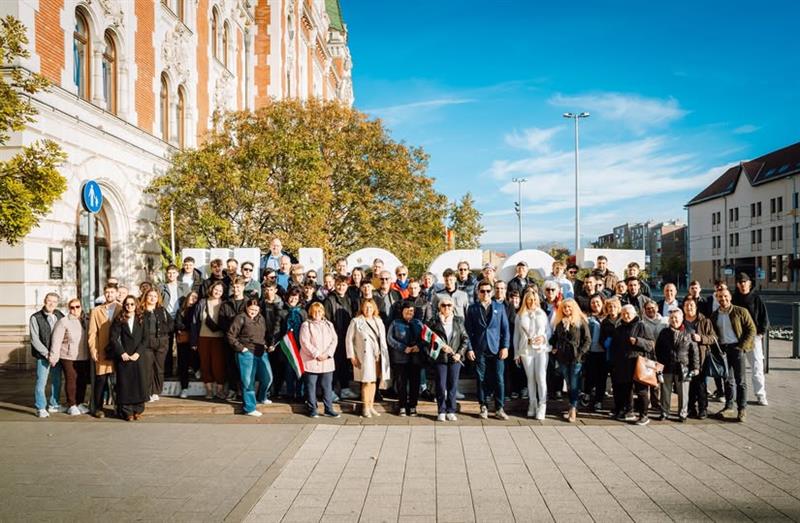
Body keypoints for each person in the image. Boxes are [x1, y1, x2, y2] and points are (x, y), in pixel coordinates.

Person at [465, 280, 510, 420]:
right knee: (481, 378)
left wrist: (505, 347)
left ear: (492, 292)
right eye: (482, 291)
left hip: (496, 349)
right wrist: (469, 349)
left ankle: (499, 408)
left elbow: (505, 329)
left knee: (499, 378)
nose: (485, 293)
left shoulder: (500, 307)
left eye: (488, 291)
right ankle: (483, 406)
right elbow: (468, 332)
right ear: (478, 292)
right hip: (480, 349)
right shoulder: (472, 308)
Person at [711, 289, 756, 422]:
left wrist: (742, 346)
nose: (723, 299)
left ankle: (742, 409)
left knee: (740, 381)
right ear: (717, 298)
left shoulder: (741, 311)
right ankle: (729, 406)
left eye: (725, 296)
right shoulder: (715, 315)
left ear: (730, 297)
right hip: (723, 350)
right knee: (727, 379)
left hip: (737, 348)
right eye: (720, 297)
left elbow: (751, 329)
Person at [610, 304, 655, 425]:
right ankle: (629, 412)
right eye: (623, 314)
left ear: (634, 314)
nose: (625, 316)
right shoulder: (619, 328)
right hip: (623, 363)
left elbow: (651, 345)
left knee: (641, 391)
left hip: (639, 363)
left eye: (628, 313)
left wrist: (638, 341)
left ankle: (644, 415)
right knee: (626, 389)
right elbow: (614, 346)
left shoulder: (642, 325)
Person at [345, 298, 391, 418]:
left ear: (374, 308)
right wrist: (352, 356)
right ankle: (365, 407)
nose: (368, 309)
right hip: (364, 356)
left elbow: (382, 340)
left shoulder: (378, 321)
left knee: (374, 381)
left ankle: (371, 406)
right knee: (366, 381)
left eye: (370, 307)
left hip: (377, 356)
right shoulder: (356, 321)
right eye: (365, 307)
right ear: (362, 308)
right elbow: (349, 340)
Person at [426, 296, 469, 421]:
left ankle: (451, 410)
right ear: (439, 307)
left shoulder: (458, 321)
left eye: (449, 305)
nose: (447, 308)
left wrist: (459, 353)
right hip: (440, 358)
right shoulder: (433, 322)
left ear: (453, 307)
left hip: (455, 358)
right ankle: (441, 410)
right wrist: (439, 347)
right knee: (440, 386)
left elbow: (465, 339)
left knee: (452, 385)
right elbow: (427, 340)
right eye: (444, 305)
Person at [227, 298, 271, 417]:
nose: (253, 312)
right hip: (246, 353)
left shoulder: (261, 318)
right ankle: (250, 408)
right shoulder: (240, 318)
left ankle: (262, 397)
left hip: (261, 352)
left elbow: (263, 334)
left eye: (256, 310)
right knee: (248, 381)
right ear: (246, 307)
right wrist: (241, 348)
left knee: (267, 378)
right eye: (251, 309)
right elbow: (230, 335)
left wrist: (265, 344)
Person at [549, 299, 591, 422]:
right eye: (564, 307)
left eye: (569, 307)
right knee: (568, 383)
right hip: (563, 357)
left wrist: (580, 354)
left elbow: (587, 340)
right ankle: (573, 404)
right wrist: (553, 346)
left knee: (574, 383)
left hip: (575, 357)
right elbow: (555, 337)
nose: (567, 309)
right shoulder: (560, 323)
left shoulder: (580, 322)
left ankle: (573, 408)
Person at [732, 272, 769, 406]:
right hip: (737, 338)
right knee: (736, 369)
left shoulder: (756, 299)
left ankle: (760, 394)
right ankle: (734, 395)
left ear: (749, 283)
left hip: (753, 338)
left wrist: (761, 333)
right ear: (737, 284)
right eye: (740, 282)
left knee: (757, 367)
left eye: (745, 282)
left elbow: (764, 318)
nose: (743, 284)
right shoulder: (734, 298)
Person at [655, 308, 699, 422]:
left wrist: (696, 367)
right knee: (665, 391)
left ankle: (682, 413)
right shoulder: (664, 332)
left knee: (683, 392)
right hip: (667, 366)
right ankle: (664, 412)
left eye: (676, 318)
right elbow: (658, 349)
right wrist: (658, 365)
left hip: (683, 366)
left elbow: (694, 351)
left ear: (682, 318)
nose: (674, 320)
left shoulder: (689, 332)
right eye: (672, 318)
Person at [49, 298, 90, 416]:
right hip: (68, 356)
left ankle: (80, 402)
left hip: (83, 356)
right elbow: (56, 340)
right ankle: (71, 404)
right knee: (71, 380)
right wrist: (54, 356)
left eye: (77, 307)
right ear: (69, 309)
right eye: (72, 307)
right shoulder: (63, 322)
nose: (75, 309)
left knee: (82, 380)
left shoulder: (86, 320)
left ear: (81, 307)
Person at [109, 296, 147, 421]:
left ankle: (138, 410)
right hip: (124, 357)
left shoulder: (142, 318)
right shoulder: (119, 319)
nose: (129, 306)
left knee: (139, 383)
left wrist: (138, 353)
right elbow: (113, 338)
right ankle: (127, 411)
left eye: (132, 304)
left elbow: (145, 339)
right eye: (127, 304)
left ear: (136, 305)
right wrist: (122, 353)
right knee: (125, 384)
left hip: (138, 357)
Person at [299, 302, 340, 418]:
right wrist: (316, 354)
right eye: (315, 311)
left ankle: (328, 409)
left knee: (327, 386)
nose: (317, 313)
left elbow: (334, 340)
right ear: (311, 312)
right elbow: (304, 342)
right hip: (311, 361)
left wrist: (327, 354)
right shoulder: (306, 325)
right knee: (311, 386)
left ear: (323, 312)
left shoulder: (329, 324)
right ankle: (312, 409)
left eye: (319, 311)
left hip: (327, 361)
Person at [514, 290, 551, 419]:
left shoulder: (542, 314)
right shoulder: (520, 315)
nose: (532, 302)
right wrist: (516, 353)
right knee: (530, 378)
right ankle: (532, 403)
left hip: (541, 349)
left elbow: (549, 331)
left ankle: (542, 405)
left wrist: (543, 337)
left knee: (540, 377)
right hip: (526, 350)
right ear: (526, 300)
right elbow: (516, 336)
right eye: (530, 299)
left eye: (534, 299)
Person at [87, 284, 121, 417]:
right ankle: (98, 408)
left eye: (112, 292)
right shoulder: (96, 311)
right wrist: (93, 349)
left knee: (118, 381)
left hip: (119, 351)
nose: (109, 294)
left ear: (117, 293)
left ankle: (119, 408)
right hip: (102, 349)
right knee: (101, 381)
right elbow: (92, 333)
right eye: (107, 292)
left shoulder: (122, 308)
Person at [190, 281, 227, 399]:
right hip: (203, 337)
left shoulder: (224, 303)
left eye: (220, 290)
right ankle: (209, 390)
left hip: (219, 338)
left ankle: (220, 390)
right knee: (205, 364)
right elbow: (195, 322)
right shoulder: (202, 302)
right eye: (216, 289)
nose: (218, 292)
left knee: (218, 365)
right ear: (211, 289)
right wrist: (194, 340)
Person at [30, 293, 65, 418]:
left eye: (54, 301)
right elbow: (34, 339)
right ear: (45, 301)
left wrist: (57, 353)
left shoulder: (60, 315)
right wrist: (47, 354)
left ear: (57, 303)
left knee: (57, 381)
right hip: (43, 356)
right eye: (49, 301)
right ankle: (40, 407)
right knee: (41, 382)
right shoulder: (36, 317)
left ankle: (54, 404)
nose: (51, 304)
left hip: (57, 355)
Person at [387, 301, 424, 416]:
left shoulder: (418, 323)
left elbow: (425, 338)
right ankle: (402, 406)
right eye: (406, 310)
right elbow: (390, 339)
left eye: (411, 310)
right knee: (401, 384)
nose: (409, 312)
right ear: (402, 311)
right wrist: (403, 348)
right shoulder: (395, 323)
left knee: (415, 384)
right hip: (400, 359)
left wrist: (419, 346)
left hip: (415, 359)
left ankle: (413, 406)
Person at [324, 275, 357, 401]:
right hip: (334, 337)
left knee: (345, 364)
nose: (341, 287)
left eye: (343, 285)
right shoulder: (330, 300)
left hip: (347, 336)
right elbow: (327, 320)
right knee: (334, 364)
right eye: (338, 284)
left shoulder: (349, 299)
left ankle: (345, 389)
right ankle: (331, 390)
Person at [682, 296, 715, 419]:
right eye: (686, 305)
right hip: (685, 358)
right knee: (688, 384)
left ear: (696, 307)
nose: (689, 308)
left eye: (691, 305)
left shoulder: (705, 321)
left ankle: (703, 409)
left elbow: (713, 338)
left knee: (700, 384)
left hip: (701, 357)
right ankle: (691, 408)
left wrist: (701, 338)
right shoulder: (680, 321)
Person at [141, 288, 173, 402]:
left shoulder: (161, 310)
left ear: (158, 298)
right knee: (147, 368)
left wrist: (165, 332)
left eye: (155, 296)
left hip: (161, 342)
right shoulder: (141, 310)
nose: (152, 298)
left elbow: (171, 323)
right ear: (146, 297)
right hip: (146, 342)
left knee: (159, 368)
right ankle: (148, 392)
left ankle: (156, 392)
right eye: (150, 295)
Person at [276, 288, 308, 401]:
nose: (293, 299)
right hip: (288, 346)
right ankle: (290, 394)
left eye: (296, 297)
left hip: (301, 345)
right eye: (291, 296)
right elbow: (277, 330)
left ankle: (300, 394)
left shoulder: (303, 312)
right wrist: (273, 343)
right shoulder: (282, 312)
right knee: (289, 371)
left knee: (300, 370)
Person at [219, 277, 248, 400]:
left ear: (243, 287)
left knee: (244, 367)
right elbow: (222, 321)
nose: (236, 289)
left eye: (238, 287)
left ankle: (243, 391)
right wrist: (232, 331)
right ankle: (233, 390)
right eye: (234, 287)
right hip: (230, 340)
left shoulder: (248, 302)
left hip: (244, 340)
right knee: (231, 366)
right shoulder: (226, 303)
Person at [160, 264, 189, 379]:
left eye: (173, 273)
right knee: (167, 345)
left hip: (180, 318)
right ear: (166, 274)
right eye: (169, 273)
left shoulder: (184, 286)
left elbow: (188, 301)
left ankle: (182, 372)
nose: (171, 275)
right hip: (166, 318)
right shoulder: (162, 287)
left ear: (177, 274)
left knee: (182, 346)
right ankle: (168, 372)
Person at [582, 293, 606, 411]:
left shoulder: (607, 316)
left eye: (597, 302)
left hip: (604, 352)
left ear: (602, 303)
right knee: (589, 375)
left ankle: (599, 400)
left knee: (602, 377)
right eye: (593, 302)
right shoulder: (587, 317)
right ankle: (587, 393)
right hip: (591, 351)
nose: (595, 304)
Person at [597, 297, 621, 412]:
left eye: (614, 306)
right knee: (601, 379)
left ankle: (618, 405)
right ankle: (598, 401)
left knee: (617, 381)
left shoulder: (622, 320)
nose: (612, 309)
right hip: (607, 353)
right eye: (610, 307)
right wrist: (606, 343)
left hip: (620, 355)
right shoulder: (605, 322)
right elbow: (601, 338)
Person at [175, 290, 199, 398]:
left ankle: (196, 368)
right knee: (183, 363)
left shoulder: (197, 310)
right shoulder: (181, 310)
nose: (193, 299)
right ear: (188, 297)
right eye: (192, 296)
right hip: (184, 340)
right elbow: (178, 324)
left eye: (196, 297)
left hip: (195, 339)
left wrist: (185, 328)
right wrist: (187, 327)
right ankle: (184, 388)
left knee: (194, 356)